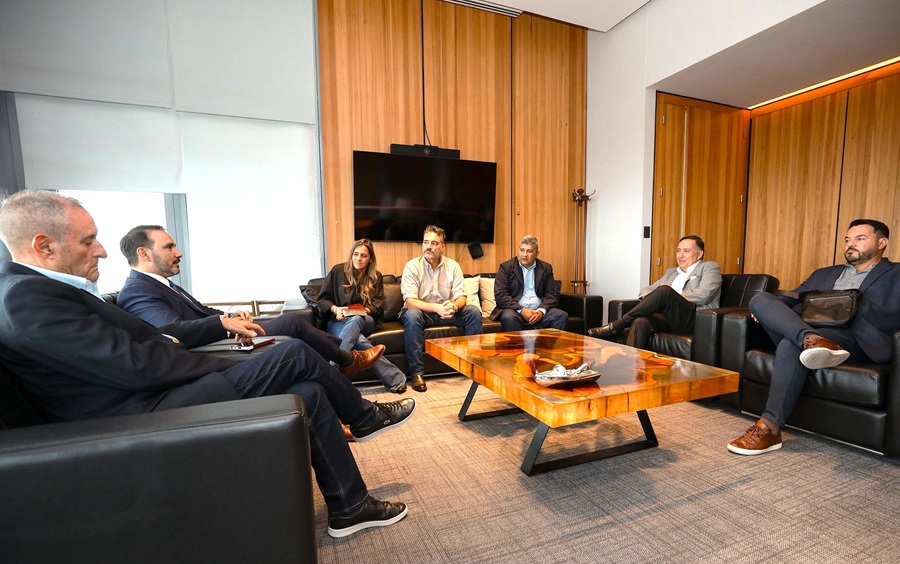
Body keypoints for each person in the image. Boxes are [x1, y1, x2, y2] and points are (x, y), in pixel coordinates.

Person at [0, 191, 415, 538]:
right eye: (89, 240)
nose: (102, 250)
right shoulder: (25, 297)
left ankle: (350, 507)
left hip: (151, 395)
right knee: (291, 352)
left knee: (306, 390)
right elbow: (135, 365)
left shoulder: (38, 290)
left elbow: (136, 349)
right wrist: (219, 365)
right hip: (137, 414)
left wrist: (191, 343)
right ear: (44, 246)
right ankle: (363, 415)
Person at [728, 219, 900, 456]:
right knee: (760, 300)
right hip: (811, 328)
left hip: (857, 337)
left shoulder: (896, 274)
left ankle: (769, 428)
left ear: (882, 243)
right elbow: (792, 297)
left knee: (790, 344)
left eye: (860, 239)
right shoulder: (824, 273)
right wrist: (770, 309)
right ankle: (810, 339)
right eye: (848, 239)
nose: (850, 244)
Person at [116, 225, 384, 376]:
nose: (178, 252)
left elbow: (200, 311)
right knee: (294, 325)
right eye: (169, 247)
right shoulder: (137, 291)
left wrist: (231, 316)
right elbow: (171, 332)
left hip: (221, 337)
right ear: (144, 254)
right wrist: (224, 325)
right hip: (214, 348)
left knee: (294, 324)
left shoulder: (163, 284)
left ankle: (347, 361)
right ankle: (347, 360)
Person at [590, 235, 722, 349]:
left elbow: (703, 294)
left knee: (665, 292)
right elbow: (645, 290)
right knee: (640, 321)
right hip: (668, 317)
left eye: (686, 251)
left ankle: (618, 325)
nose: (681, 255)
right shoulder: (672, 272)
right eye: (678, 251)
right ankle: (630, 364)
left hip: (693, 318)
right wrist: (658, 300)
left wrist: (669, 298)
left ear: (699, 254)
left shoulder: (709, 267)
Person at [318, 239, 408, 394]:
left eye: (363, 256)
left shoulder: (376, 276)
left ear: (370, 259)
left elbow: (378, 305)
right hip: (338, 320)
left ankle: (333, 368)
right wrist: (336, 309)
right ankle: (395, 379)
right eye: (356, 254)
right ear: (351, 255)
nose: (358, 258)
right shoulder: (338, 271)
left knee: (356, 318)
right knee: (359, 340)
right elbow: (322, 299)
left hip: (365, 319)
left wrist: (362, 310)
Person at [400, 225, 483, 392]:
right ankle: (417, 373)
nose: (428, 247)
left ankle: (473, 367)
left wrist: (454, 306)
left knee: (473, 311)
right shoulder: (412, 266)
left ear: (442, 247)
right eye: (426, 242)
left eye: (434, 243)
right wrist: (437, 308)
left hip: (445, 312)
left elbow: (462, 296)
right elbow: (410, 302)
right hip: (422, 313)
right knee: (412, 315)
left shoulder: (453, 266)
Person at [491, 235, 568, 331]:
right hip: (514, 310)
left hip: (538, 311)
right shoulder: (506, 267)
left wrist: (541, 311)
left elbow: (552, 294)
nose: (524, 254)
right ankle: (518, 342)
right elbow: (500, 295)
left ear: (537, 253)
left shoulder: (546, 268)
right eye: (522, 250)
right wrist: (522, 310)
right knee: (509, 317)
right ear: (518, 250)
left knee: (561, 316)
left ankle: (544, 341)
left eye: (529, 251)